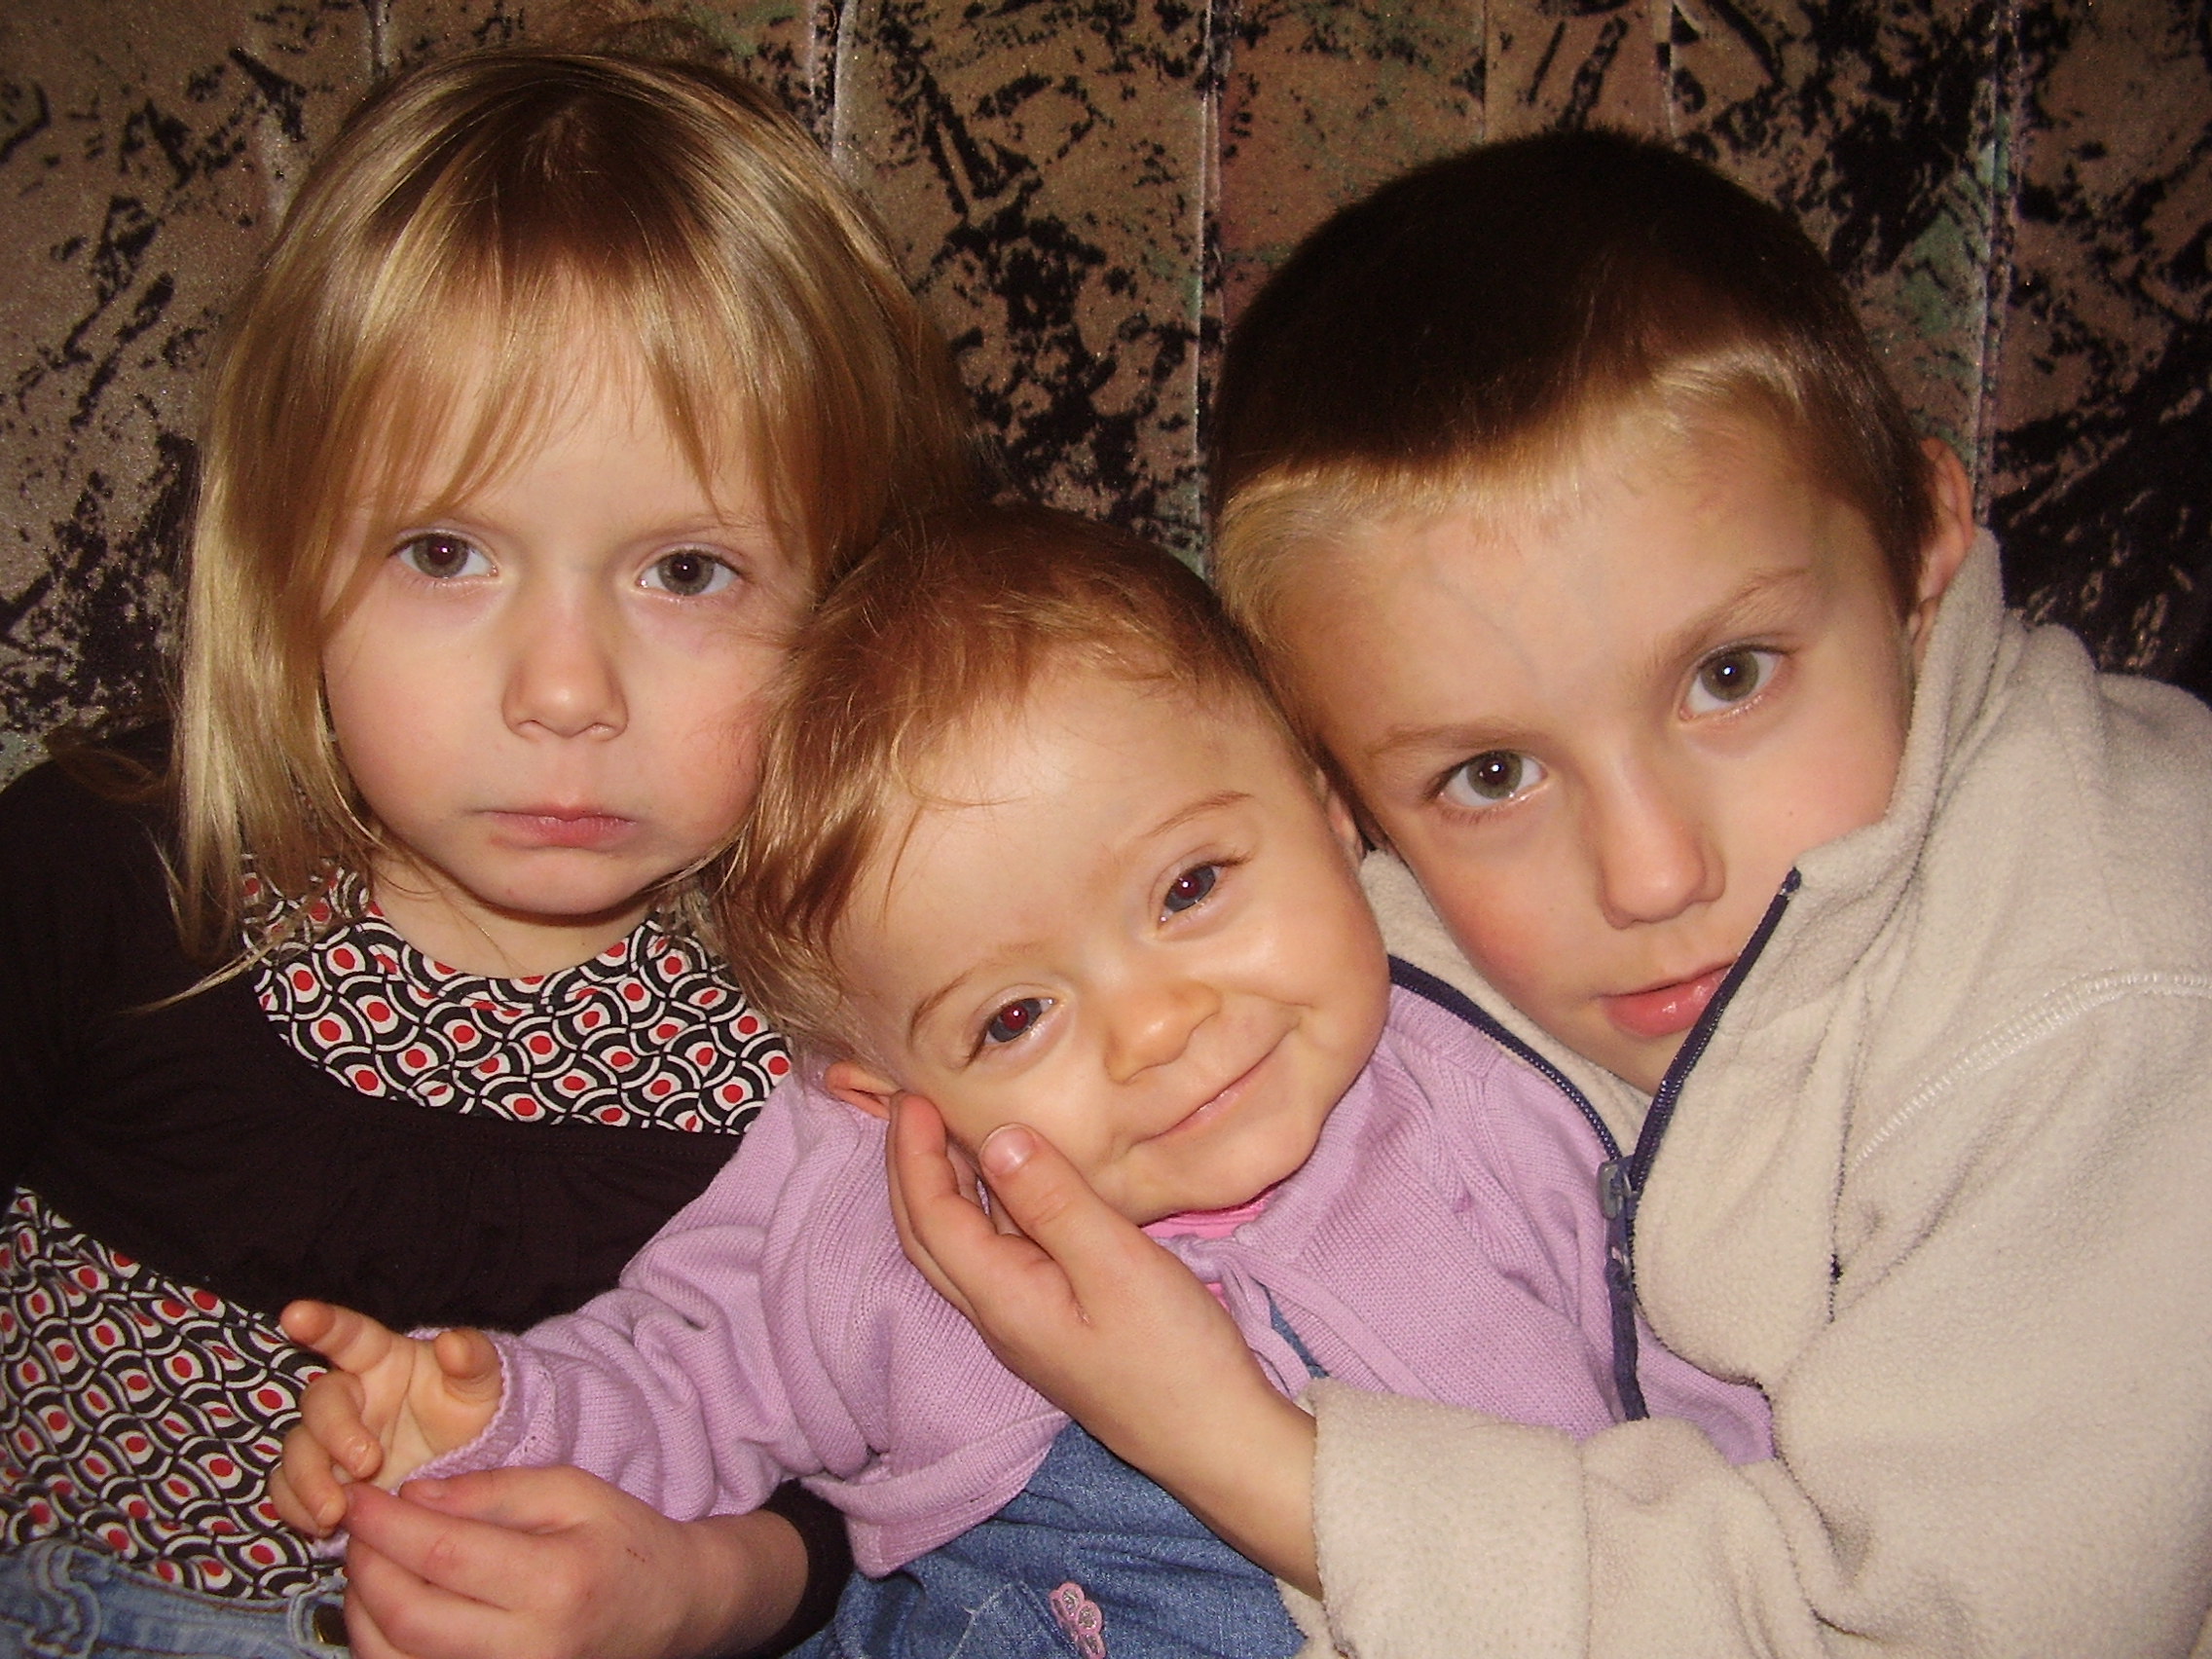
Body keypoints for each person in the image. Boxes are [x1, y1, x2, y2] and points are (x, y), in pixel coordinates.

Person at [889, 129, 2212, 1656]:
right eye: (1494, 774)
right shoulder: (1384, 885)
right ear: (1337, 790)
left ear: (1920, 542)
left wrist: (1242, 1457)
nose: (1652, 874)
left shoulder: (2109, 1004)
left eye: (1731, 677)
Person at [273, 507, 1773, 1659]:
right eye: (1013, 1019)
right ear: (880, 1099)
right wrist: (494, 1410)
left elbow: (1713, 1425)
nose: (1157, 1028)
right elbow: (686, 1374)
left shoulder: (1494, 1082)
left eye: (1191, 887)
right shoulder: (870, 1201)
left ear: (1328, 816)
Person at [0, 43, 979, 1659]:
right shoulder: (118, 868)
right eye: (446, 553)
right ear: (286, 561)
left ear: (856, 606)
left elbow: (885, 1458)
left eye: (688, 572)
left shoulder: (838, 1030)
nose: (565, 692)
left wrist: (701, 1593)